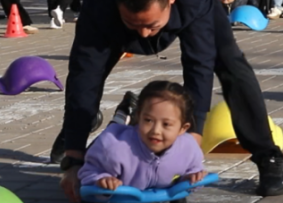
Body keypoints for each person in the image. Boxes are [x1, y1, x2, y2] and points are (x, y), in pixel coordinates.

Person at [54, 0, 283, 201]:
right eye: (134, 24)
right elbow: (85, 73)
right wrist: (73, 158)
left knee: (229, 61)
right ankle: (79, 128)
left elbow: (199, 63)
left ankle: (268, 157)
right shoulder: (100, 3)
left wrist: (195, 133)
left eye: (151, 25)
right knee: (88, 78)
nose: (143, 35)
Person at [77, 81, 206, 190]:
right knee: (115, 127)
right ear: (139, 116)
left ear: (183, 129)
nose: (156, 131)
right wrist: (102, 179)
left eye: (166, 124)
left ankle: (125, 114)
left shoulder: (188, 148)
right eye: (148, 120)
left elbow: (195, 169)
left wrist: (192, 177)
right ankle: (123, 114)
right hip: (117, 138)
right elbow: (88, 171)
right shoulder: (113, 147)